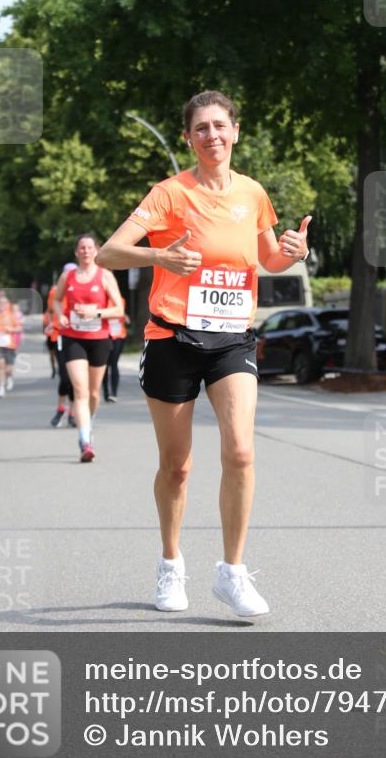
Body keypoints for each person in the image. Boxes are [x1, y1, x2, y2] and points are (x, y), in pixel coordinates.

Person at [96, 90, 311, 618]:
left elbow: (267, 260)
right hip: (172, 337)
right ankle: (170, 564)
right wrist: (159, 255)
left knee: (241, 451)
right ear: (188, 138)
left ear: (235, 131)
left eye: (220, 125)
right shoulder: (169, 194)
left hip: (232, 339)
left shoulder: (253, 193)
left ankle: (232, 573)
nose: (211, 135)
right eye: (201, 128)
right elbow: (108, 253)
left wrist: (294, 253)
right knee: (177, 466)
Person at [54, 237, 124, 461]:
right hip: (73, 337)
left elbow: (119, 309)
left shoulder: (105, 276)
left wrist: (97, 313)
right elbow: (57, 300)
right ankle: (85, 440)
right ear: (76, 252)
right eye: (82, 248)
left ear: (96, 251)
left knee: (94, 393)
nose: (85, 251)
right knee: (80, 391)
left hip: (99, 339)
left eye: (90, 247)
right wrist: (60, 316)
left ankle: (88, 423)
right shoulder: (67, 276)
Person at [46, 263, 77, 428]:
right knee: (64, 376)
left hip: (78, 336)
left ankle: (72, 412)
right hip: (59, 334)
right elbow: (51, 311)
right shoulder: (54, 292)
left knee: (75, 378)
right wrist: (50, 323)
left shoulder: (80, 288)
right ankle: (60, 409)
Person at [0, 290, 22, 397]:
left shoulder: (11, 316)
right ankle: (1, 387)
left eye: (4, 303)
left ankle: (9, 377)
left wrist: (11, 329)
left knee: (8, 369)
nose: (2, 305)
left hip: (9, 345)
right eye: (0, 303)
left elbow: (19, 328)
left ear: (8, 305)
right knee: (0, 364)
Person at [102, 297, 129, 403]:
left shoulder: (121, 299)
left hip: (119, 335)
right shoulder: (103, 298)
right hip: (105, 335)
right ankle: (106, 393)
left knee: (114, 363)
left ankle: (113, 393)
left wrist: (124, 316)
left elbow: (121, 313)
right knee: (104, 365)